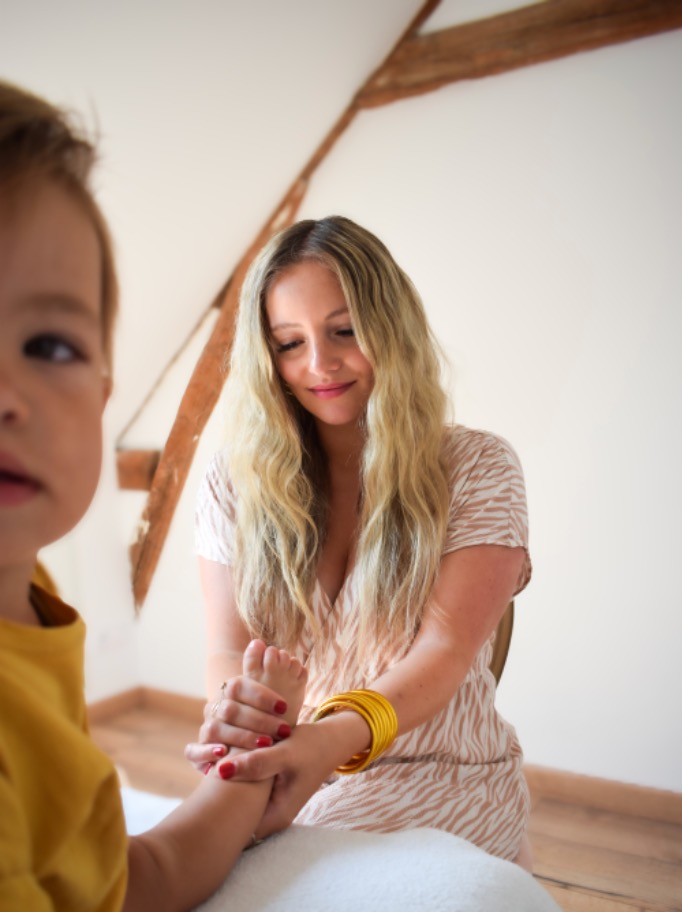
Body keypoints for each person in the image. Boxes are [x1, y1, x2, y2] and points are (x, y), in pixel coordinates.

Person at [0, 79, 306, 912]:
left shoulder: (29, 597)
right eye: (292, 341)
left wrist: (247, 768)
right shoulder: (233, 474)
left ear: (101, 392)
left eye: (46, 344)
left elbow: (141, 874)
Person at [187, 215, 534, 869]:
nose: (319, 364)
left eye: (344, 331)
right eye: (289, 343)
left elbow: (446, 648)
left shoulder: (479, 468)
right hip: (282, 763)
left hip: (440, 773)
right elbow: (226, 649)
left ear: (391, 326)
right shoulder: (233, 481)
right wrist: (241, 719)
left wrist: (327, 742)